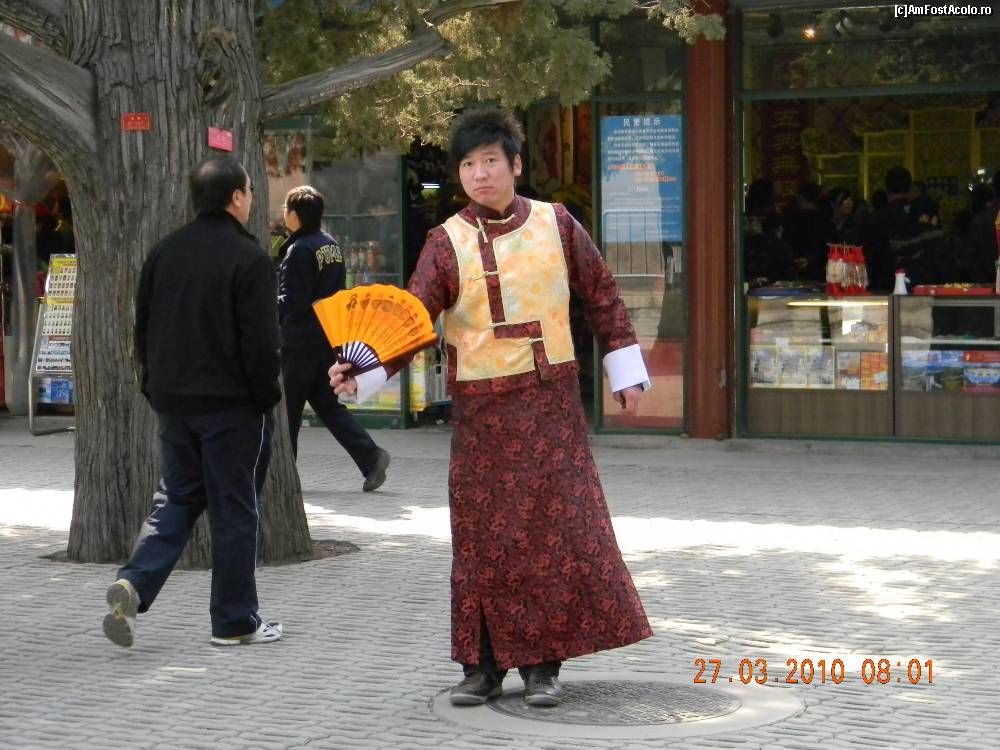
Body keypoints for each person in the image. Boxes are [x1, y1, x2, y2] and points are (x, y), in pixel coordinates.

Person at [329, 109, 652, 707]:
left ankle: (543, 668)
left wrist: (625, 368)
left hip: (551, 405)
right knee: (481, 539)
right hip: (482, 414)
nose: (480, 174)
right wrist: (362, 365)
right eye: (469, 164)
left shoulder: (557, 223)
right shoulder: (445, 241)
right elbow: (413, 317)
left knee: (552, 533)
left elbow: (602, 294)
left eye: (490, 161)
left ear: (515, 165)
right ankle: (480, 668)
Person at [103, 156, 283, 648]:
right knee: (234, 509)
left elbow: (143, 327)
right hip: (232, 406)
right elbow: (261, 342)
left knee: (178, 497)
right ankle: (234, 620)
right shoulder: (249, 258)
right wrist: (266, 398)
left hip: (173, 402)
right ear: (237, 198)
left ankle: (135, 583)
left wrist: (153, 384)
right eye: (249, 190)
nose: (250, 198)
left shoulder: (164, 252)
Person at [277, 185, 390, 491]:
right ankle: (371, 457)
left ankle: (286, 480)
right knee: (328, 405)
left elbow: (292, 301)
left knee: (288, 412)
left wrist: (264, 306)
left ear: (296, 215)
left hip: (298, 342)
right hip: (326, 338)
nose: (283, 214)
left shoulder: (299, 250)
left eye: (286, 209)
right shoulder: (331, 246)